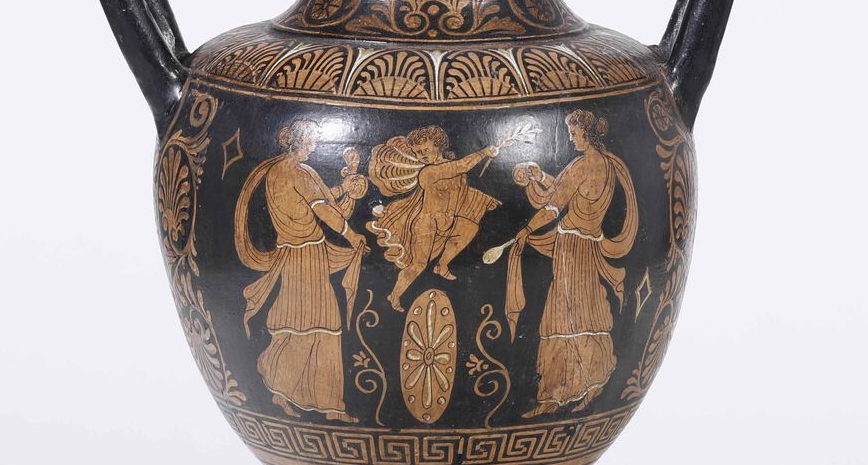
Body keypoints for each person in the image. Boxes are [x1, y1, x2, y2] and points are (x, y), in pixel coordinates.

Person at [503, 110, 638, 418]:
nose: (571, 139)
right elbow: (568, 191)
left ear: (587, 135)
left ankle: (567, 390)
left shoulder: (581, 166)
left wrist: (525, 230)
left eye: (575, 134)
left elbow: (553, 207)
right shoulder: (607, 165)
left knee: (564, 316)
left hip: (572, 249)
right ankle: (574, 389)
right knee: (584, 313)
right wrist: (540, 177)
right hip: (587, 247)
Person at [233, 120, 368, 421]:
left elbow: (316, 199)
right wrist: (352, 235)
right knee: (320, 323)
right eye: (312, 143)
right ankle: (318, 401)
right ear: (300, 143)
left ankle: (298, 396)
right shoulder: (299, 172)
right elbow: (324, 210)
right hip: (307, 257)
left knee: (296, 321)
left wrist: (344, 188)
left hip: (293, 255)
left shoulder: (276, 170)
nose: (314, 147)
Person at [368, 125, 499, 312]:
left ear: (438, 145)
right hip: (426, 224)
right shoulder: (428, 172)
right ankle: (395, 294)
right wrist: (483, 152)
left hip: (448, 220)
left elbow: (460, 191)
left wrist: (483, 200)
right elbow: (461, 166)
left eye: (425, 150)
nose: (421, 155)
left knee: (470, 228)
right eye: (417, 152)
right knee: (418, 265)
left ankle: (442, 265)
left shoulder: (452, 169)